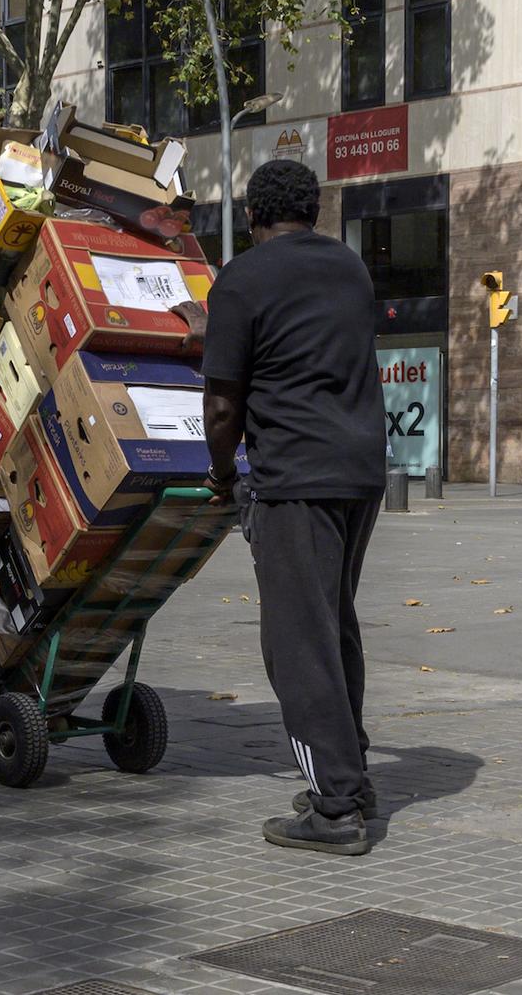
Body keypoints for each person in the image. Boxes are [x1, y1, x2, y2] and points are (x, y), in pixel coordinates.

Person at [198, 160, 386, 856]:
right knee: (333, 628)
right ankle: (352, 778)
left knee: (296, 643)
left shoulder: (241, 281)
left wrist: (223, 475)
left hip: (295, 478)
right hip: (360, 474)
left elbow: (222, 403)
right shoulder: (351, 270)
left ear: (252, 218)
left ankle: (336, 810)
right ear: (315, 210)